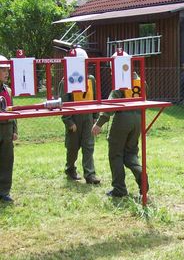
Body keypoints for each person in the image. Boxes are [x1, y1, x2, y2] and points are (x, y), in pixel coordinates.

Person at [91, 57, 147, 198]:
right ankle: (142, 176)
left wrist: (99, 123)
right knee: (131, 153)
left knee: (116, 155)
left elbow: (111, 104)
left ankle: (119, 189)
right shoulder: (141, 81)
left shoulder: (120, 83)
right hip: (138, 119)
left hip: (122, 119)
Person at [58, 48, 100, 184]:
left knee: (89, 146)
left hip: (88, 118)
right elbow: (63, 104)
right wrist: (69, 122)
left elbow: (95, 99)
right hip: (74, 118)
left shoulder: (91, 79)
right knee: (72, 147)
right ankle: (70, 169)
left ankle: (90, 174)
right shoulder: (65, 81)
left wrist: (95, 117)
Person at [0, 56, 17, 203]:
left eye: (7, 70)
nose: (6, 73)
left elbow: (12, 111)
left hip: (7, 129)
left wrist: (14, 130)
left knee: (7, 161)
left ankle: (4, 191)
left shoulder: (9, 90)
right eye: (3, 70)